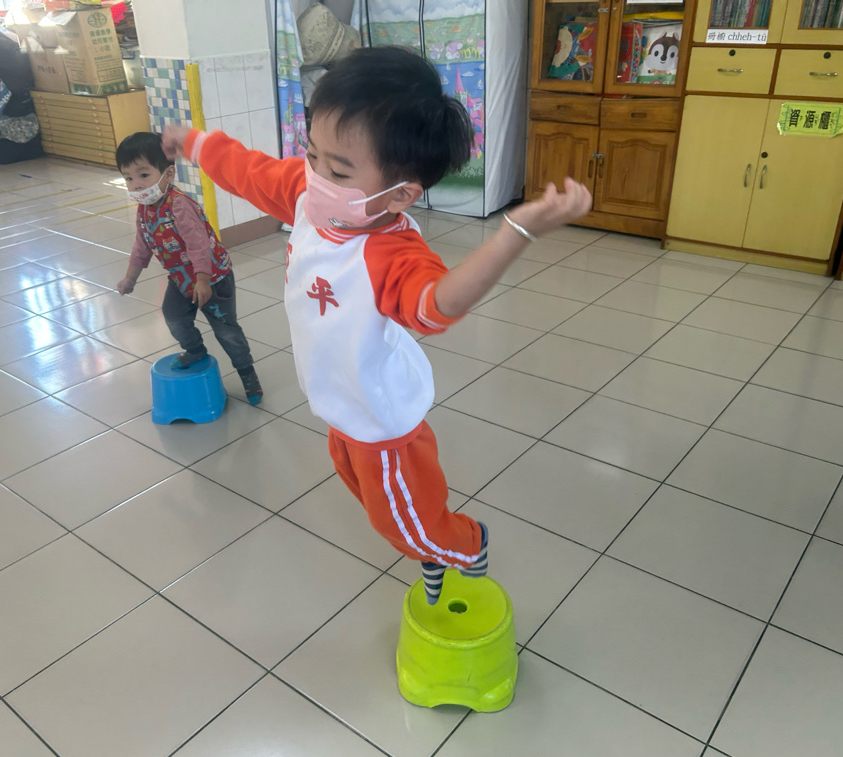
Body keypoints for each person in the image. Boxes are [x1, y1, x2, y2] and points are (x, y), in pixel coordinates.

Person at [162, 47, 591, 604]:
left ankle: (466, 544)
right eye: (312, 153)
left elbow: (436, 306)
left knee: (405, 525)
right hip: (339, 404)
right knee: (376, 502)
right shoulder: (307, 194)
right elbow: (246, 169)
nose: (316, 176)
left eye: (339, 170)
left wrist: (517, 232)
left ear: (402, 194)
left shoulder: (390, 252)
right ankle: (430, 547)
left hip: (379, 417)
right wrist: (193, 142)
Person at [115, 132, 262, 404]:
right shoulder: (144, 210)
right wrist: (129, 278)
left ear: (168, 173)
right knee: (173, 316)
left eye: (144, 175)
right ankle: (195, 350)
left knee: (226, 331)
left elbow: (198, 244)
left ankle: (247, 372)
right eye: (128, 178)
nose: (136, 185)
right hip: (181, 279)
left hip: (213, 278)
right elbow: (141, 246)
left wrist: (203, 281)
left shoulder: (179, 205)